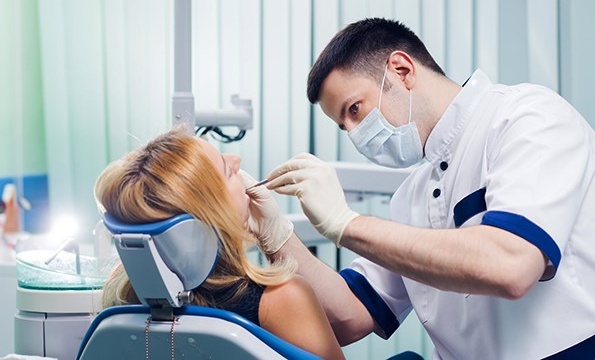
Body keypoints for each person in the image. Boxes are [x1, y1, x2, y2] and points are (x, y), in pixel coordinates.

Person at [246, 18, 595, 359]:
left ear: (402, 70)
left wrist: (346, 224)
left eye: (355, 109)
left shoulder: (527, 118)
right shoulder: (411, 198)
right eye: (344, 126)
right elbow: (349, 316)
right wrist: (275, 233)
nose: (355, 134)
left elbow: (512, 265)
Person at [95, 127, 345, 360]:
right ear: (215, 214)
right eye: (227, 171)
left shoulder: (120, 300)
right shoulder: (281, 299)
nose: (236, 160)